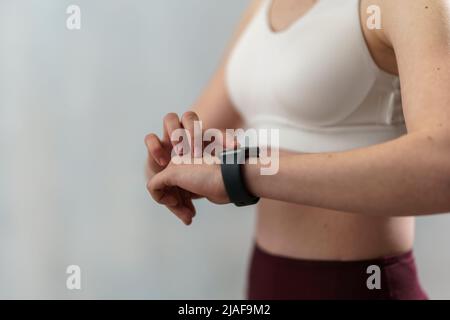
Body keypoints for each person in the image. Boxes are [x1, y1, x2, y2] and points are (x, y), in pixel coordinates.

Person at [145, 0, 450, 299]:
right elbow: (194, 146)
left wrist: (244, 172)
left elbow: (443, 165)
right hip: (264, 284)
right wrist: (170, 159)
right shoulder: (261, 8)